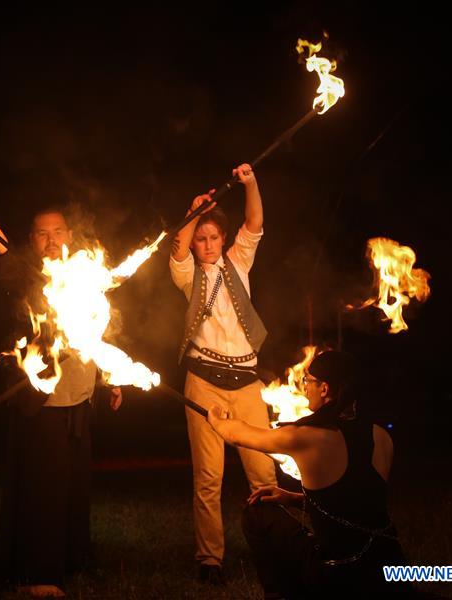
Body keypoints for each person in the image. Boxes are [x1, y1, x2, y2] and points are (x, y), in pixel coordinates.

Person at [0, 208, 122, 598]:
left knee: (74, 485)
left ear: (70, 234)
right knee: (42, 488)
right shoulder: (28, 278)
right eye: (42, 234)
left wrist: (109, 376)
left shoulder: (83, 273)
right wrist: (0, 249)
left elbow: (98, 331)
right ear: (31, 240)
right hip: (42, 404)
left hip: (79, 399)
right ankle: (36, 573)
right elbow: (15, 278)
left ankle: (73, 560)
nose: (52, 240)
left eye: (58, 231)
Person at [207, 349, 414, 598]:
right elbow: (358, 503)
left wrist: (216, 419)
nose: (304, 387)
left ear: (324, 389)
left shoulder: (307, 437)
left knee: (257, 513)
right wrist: (293, 498)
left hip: (338, 575)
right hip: (387, 566)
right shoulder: (382, 437)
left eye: (308, 381)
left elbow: (238, 434)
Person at [169, 163, 277, 584]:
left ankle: (274, 549)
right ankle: (209, 560)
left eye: (214, 236)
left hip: (248, 382)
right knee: (209, 478)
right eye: (202, 238)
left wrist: (249, 183)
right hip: (205, 380)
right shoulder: (187, 274)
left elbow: (255, 223)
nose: (208, 244)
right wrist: (195, 211)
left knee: (263, 475)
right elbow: (175, 249)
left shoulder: (239, 260)